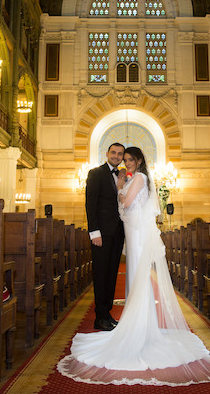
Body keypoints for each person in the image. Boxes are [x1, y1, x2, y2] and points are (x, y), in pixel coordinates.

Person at [58, 147, 210, 386]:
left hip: (135, 235)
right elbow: (94, 203)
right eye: (121, 156)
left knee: (136, 278)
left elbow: (127, 204)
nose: (124, 161)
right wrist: (96, 228)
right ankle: (113, 318)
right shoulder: (104, 174)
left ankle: (137, 324)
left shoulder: (136, 178)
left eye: (128, 158)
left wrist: (120, 189)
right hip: (122, 233)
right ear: (109, 154)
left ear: (138, 160)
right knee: (126, 277)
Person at [85, 142, 126, 331]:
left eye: (120, 154)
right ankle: (99, 317)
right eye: (114, 152)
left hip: (118, 233)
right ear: (107, 153)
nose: (116, 156)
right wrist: (94, 232)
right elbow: (90, 205)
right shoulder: (96, 173)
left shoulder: (122, 176)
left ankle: (106, 314)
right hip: (101, 234)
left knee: (111, 274)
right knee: (101, 275)